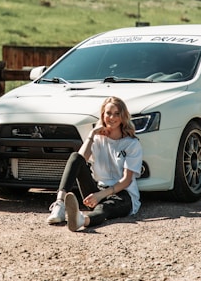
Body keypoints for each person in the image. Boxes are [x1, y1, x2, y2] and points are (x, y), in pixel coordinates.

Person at [47, 96, 143, 231]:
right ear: (103, 115)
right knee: (75, 157)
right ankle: (59, 204)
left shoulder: (132, 143)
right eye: (108, 113)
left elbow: (126, 181)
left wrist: (100, 196)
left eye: (117, 114)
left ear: (122, 117)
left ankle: (82, 220)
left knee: (105, 208)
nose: (112, 117)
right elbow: (80, 159)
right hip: (98, 190)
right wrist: (92, 135)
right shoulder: (97, 138)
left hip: (123, 194)